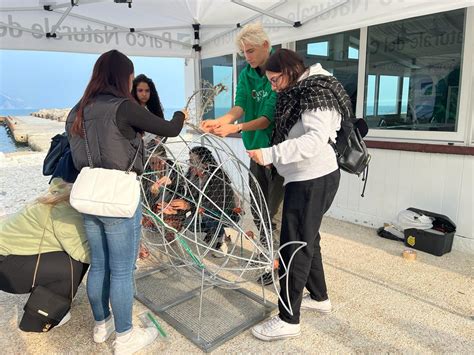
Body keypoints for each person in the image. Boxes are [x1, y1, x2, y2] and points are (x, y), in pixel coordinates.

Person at [65, 49, 187, 354]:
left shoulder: (77, 110)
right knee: (121, 270)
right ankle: (125, 337)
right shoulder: (124, 107)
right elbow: (170, 129)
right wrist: (182, 114)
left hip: (89, 195)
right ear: (124, 76)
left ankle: (101, 325)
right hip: (119, 196)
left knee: (100, 264)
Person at [248, 49, 345, 340]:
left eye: (276, 79)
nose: (275, 86)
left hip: (312, 178)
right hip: (305, 177)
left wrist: (270, 153)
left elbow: (314, 140)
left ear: (291, 70)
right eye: (271, 81)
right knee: (308, 238)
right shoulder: (301, 91)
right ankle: (319, 297)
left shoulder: (316, 92)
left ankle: (288, 319)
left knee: (294, 245)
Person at [200, 23, 284, 282]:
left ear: (266, 46)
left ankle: (278, 262)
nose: (247, 56)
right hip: (254, 150)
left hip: (275, 152)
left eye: (251, 51)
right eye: (243, 52)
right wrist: (222, 121)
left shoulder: (277, 72)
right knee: (258, 207)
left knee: (275, 209)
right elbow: (241, 105)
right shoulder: (247, 73)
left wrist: (233, 128)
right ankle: (265, 249)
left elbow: (267, 117)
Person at [0, 178, 90, 332]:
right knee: (70, 265)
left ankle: (57, 300)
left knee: (70, 259)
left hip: (10, 256)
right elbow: (84, 253)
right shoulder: (65, 212)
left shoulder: (62, 193)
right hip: (5, 268)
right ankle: (40, 318)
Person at [156, 146, 241, 257]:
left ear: (205, 164)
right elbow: (185, 193)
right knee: (186, 221)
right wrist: (171, 184)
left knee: (208, 215)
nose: (189, 164)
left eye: (192, 161)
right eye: (189, 160)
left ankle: (221, 240)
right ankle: (213, 233)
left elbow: (213, 204)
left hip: (225, 213)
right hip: (201, 210)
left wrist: (188, 205)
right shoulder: (193, 176)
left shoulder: (218, 177)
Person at [131, 74, 165, 147]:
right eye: (140, 90)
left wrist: (159, 138)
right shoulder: (131, 110)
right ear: (135, 91)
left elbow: (164, 130)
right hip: (137, 151)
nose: (144, 94)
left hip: (156, 149)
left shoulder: (156, 109)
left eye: (147, 91)